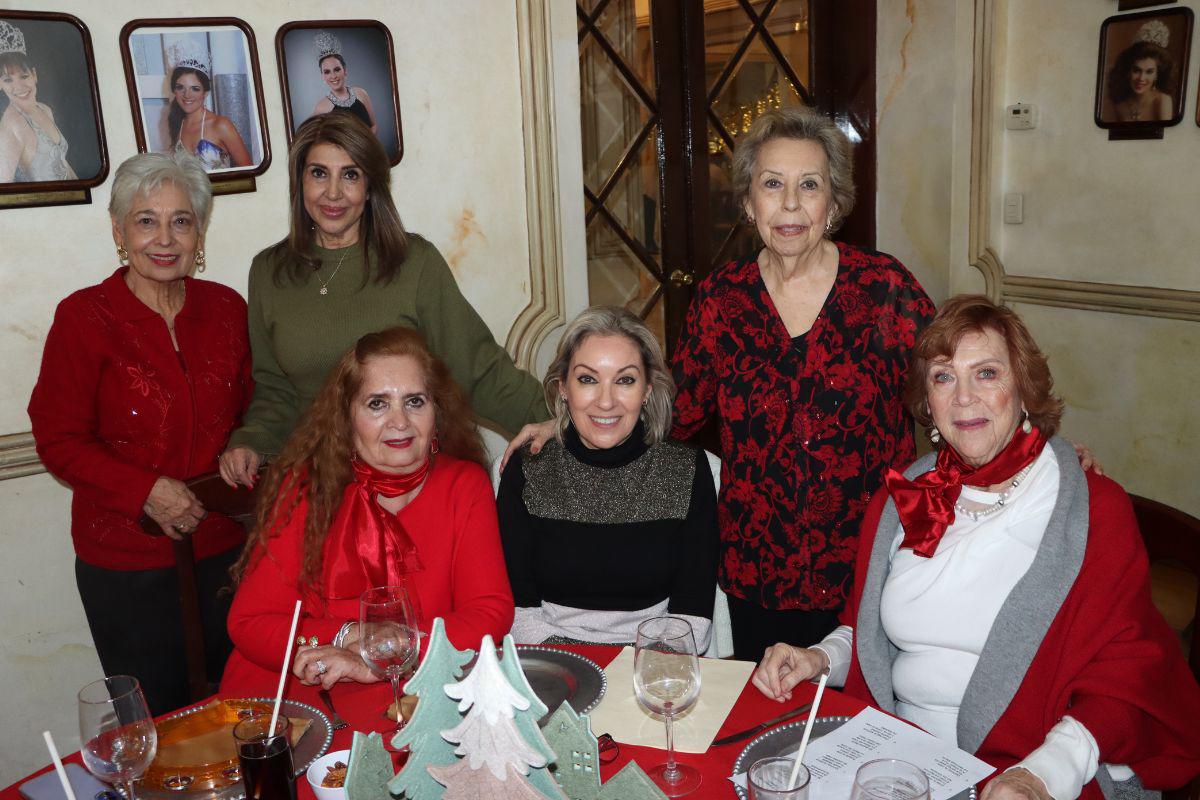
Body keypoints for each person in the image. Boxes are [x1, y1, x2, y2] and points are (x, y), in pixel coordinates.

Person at [507, 106, 936, 660]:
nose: (789, 204)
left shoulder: (883, 289)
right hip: (758, 573)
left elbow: (955, 390)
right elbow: (669, 408)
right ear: (748, 202)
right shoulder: (721, 298)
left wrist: (1027, 446)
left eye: (809, 185)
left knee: (856, 731)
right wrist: (567, 420)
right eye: (771, 184)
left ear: (833, 203)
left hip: (868, 563)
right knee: (761, 729)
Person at [752, 295, 1200, 800]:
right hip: (898, 758)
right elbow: (867, 629)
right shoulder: (903, 499)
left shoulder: (1088, 509)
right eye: (943, 377)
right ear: (927, 403)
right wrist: (819, 658)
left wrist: (1041, 775)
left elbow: (1127, 673)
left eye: (986, 373)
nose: (963, 397)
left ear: (1024, 389)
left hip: (1030, 764)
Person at [28, 150, 252, 715]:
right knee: (157, 729)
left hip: (229, 555)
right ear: (119, 230)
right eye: (146, 219)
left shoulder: (226, 308)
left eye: (181, 220)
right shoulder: (84, 318)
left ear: (199, 231)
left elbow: (255, 407)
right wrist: (146, 490)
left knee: (243, 713)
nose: (165, 237)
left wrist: (250, 444)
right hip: (127, 568)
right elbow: (58, 438)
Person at [219, 112, 546, 488]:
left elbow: (479, 370)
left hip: (410, 481)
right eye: (319, 173)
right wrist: (252, 441)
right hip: (322, 483)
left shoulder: (414, 262)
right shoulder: (268, 272)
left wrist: (563, 422)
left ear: (371, 186)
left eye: (351, 175)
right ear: (300, 181)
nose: (333, 193)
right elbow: (274, 388)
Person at [221, 327, 514, 696]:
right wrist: (348, 636)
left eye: (415, 401)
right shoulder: (307, 487)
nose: (400, 422)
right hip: (303, 693)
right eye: (377, 403)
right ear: (346, 417)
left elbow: (490, 613)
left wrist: (388, 654)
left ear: (436, 411)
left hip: (419, 683)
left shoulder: (464, 484)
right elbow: (250, 623)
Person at [498, 307, 719, 648]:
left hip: (654, 671)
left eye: (625, 380)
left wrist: (635, 674)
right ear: (563, 388)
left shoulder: (686, 469)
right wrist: (586, 670)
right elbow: (517, 612)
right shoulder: (529, 469)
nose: (605, 401)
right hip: (552, 667)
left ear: (646, 390)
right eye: (588, 379)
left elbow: (693, 619)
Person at [0, 20, 77, 183]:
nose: (19, 86)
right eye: (8, 80)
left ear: (34, 75)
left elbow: (61, 161)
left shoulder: (44, 109)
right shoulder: (11, 125)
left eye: (24, 76)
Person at [165, 42, 252, 171]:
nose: (187, 95)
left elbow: (249, 171)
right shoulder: (177, 123)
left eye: (195, 89)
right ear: (174, 91)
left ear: (205, 93)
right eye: (180, 87)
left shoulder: (221, 125)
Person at [1103, 21, 1176, 123]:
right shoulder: (1120, 106)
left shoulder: (1162, 101)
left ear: (1157, 75)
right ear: (1128, 71)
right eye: (1136, 70)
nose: (1141, 78)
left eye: (1149, 72)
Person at [309, 31, 377, 134]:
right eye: (327, 72)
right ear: (323, 76)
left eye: (337, 69)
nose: (333, 76)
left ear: (344, 70)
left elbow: (374, 126)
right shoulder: (321, 107)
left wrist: (364, 148)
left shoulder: (361, 93)